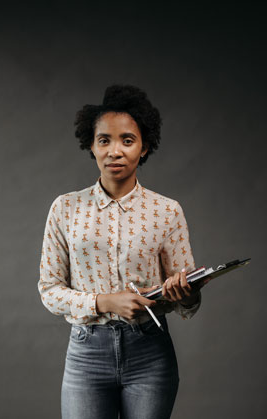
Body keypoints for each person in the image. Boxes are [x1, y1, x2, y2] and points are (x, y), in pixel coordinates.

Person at [38, 84, 206, 419]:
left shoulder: (167, 211)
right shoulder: (65, 208)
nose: (116, 150)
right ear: (91, 144)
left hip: (150, 353)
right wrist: (105, 301)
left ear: (144, 147)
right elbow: (49, 290)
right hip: (87, 353)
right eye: (105, 140)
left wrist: (183, 294)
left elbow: (188, 302)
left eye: (127, 140)